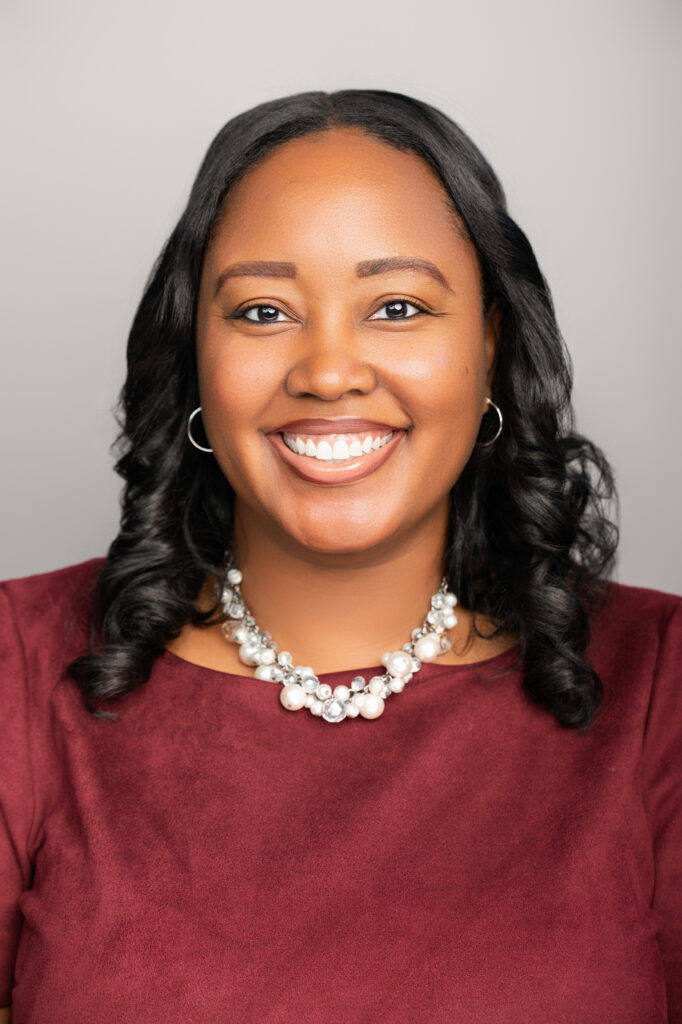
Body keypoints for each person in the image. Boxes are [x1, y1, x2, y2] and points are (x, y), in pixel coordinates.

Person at [0, 89, 680, 1023]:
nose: (327, 372)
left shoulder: (659, 682)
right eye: (262, 311)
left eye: (396, 307)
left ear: (490, 342)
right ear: (194, 353)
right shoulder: (20, 665)